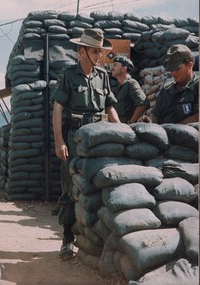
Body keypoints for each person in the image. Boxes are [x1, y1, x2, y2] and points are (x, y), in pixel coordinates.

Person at [52, 28, 120, 259]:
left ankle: (94, 238)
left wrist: (122, 132)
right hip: (74, 137)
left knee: (99, 184)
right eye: (94, 51)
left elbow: (110, 107)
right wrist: (59, 141)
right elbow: (58, 109)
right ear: (82, 52)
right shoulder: (68, 75)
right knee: (70, 187)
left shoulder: (102, 76)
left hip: (99, 137)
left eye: (100, 52)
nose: (99, 56)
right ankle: (67, 239)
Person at [139, 44, 198, 124]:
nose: (173, 73)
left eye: (177, 69)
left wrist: (175, 130)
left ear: (190, 65)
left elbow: (197, 117)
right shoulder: (167, 89)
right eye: (171, 69)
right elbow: (156, 114)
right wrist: (149, 121)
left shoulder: (197, 86)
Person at [110, 56, 149, 124]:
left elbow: (143, 103)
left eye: (115, 65)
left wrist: (131, 122)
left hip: (128, 129)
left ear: (124, 69)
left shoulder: (131, 84)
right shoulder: (120, 87)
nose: (112, 68)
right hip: (120, 127)